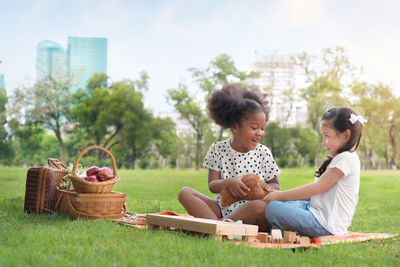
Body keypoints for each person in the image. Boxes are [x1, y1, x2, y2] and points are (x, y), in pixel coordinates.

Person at [178, 84, 280, 231]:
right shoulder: (217, 149)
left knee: (260, 206)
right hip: (221, 209)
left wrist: (264, 189)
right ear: (235, 127)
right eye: (254, 127)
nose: (260, 133)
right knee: (185, 193)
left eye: (262, 128)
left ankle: (216, 226)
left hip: (248, 212)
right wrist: (228, 183)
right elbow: (212, 185)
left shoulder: (264, 152)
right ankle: (221, 226)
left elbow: (275, 183)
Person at [263, 107, 366, 237]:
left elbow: (317, 188)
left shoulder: (346, 158)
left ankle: (284, 229)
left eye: (327, 136)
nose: (323, 143)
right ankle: (285, 228)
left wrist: (280, 195)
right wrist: (282, 198)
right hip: (316, 212)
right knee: (284, 204)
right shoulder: (343, 158)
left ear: (346, 135)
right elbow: (318, 194)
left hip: (326, 225)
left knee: (273, 208)